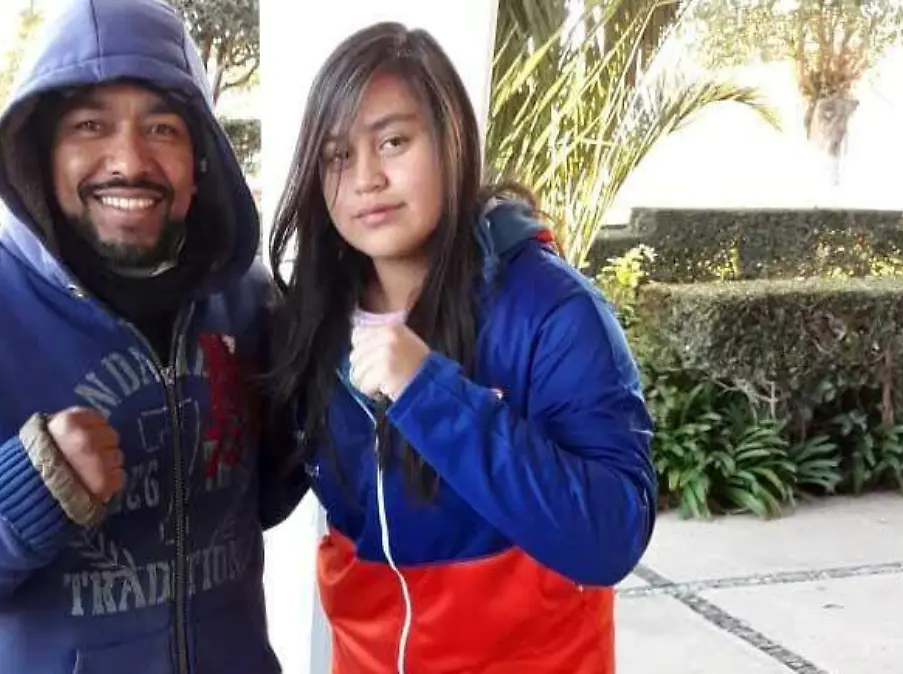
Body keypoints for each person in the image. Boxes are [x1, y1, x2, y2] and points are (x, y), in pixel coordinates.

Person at [0, 1, 287, 672]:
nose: (129, 159)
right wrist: (22, 492)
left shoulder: (247, 303)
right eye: (90, 125)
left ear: (200, 161)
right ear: (42, 153)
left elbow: (267, 494)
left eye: (161, 128)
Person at [265, 22, 658, 673]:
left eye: (393, 141)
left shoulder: (551, 311)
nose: (365, 178)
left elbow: (609, 536)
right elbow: (257, 495)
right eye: (337, 156)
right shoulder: (312, 323)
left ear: (452, 139)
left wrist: (430, 393)